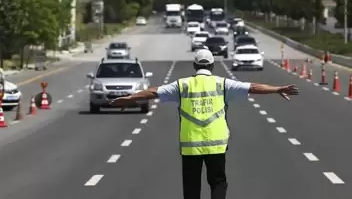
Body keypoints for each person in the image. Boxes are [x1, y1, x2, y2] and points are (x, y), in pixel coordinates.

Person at [109, 49, 299, 199]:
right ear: (212, 65)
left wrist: (130, 99)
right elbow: (252, 87)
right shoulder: (222, 83)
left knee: (191, 187)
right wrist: (277, 89)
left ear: (194, 65)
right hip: (216, 145)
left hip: (190, 146)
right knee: (218, 183)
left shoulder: (182, 85)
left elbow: (153, 92)